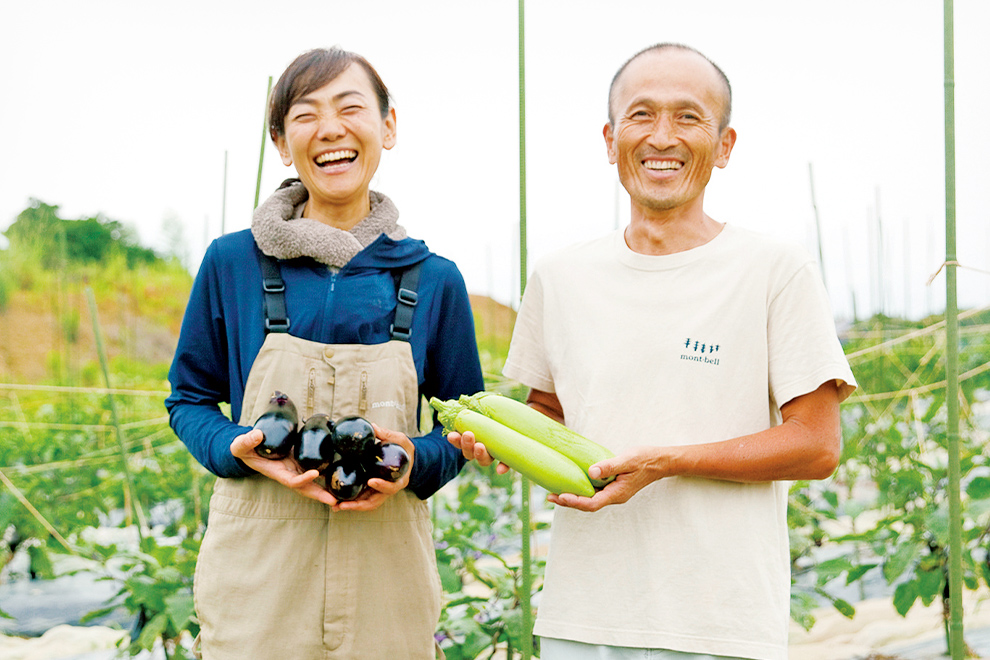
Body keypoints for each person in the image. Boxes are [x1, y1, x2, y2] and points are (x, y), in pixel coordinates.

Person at [449, 43, 857, 660]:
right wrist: (496, 443)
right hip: (582, 617)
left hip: (722, 625)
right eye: (641, 116)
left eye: (688, 117)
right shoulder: (560, 276)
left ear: (725, 145)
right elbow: (547, 421)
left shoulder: (774, 268)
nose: (661, 136)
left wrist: (669, 461)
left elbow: (817, 445)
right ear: (610, 138)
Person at [166, 47, 484, 660]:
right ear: (283, 143)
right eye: (305, 114)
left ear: (388, 127)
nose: (331, 129)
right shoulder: (232, 264)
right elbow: (189, 398)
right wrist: (230, 448)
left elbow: (461, 425)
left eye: (350, 107)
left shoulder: (434, 279)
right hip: (258, 565)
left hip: (386, 567)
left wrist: (419, 460)